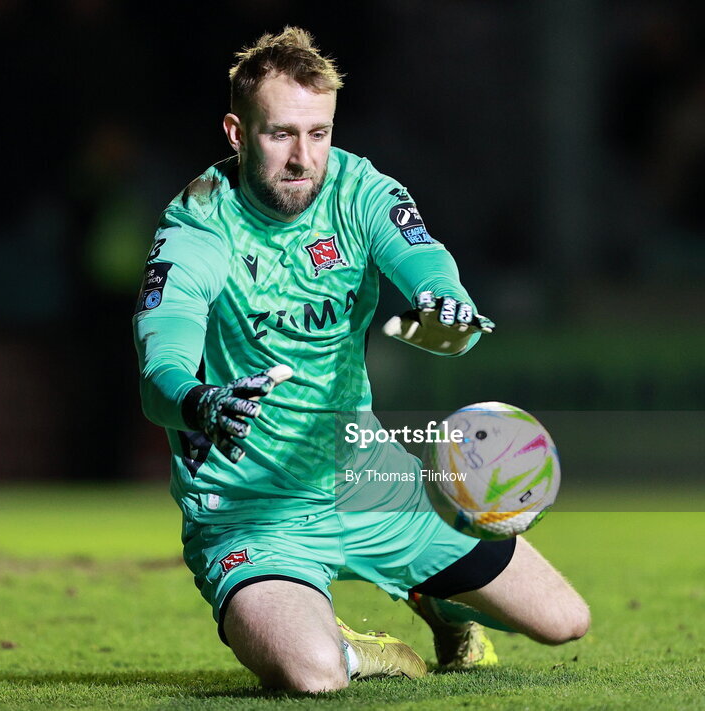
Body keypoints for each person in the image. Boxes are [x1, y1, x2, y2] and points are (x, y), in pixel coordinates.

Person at [132, 26, 589, 693]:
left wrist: (444, 300)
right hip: (250, 510)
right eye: (280, 133)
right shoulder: (198, 226)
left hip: (366, 477)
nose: (302, 158)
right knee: (314, 674)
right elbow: (158, 372)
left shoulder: (359, 189)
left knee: (564, 619)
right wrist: (199, 399)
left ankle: (437, 598)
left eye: (318, 134)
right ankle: (355, 646)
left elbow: (424, 259)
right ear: (236, 131)